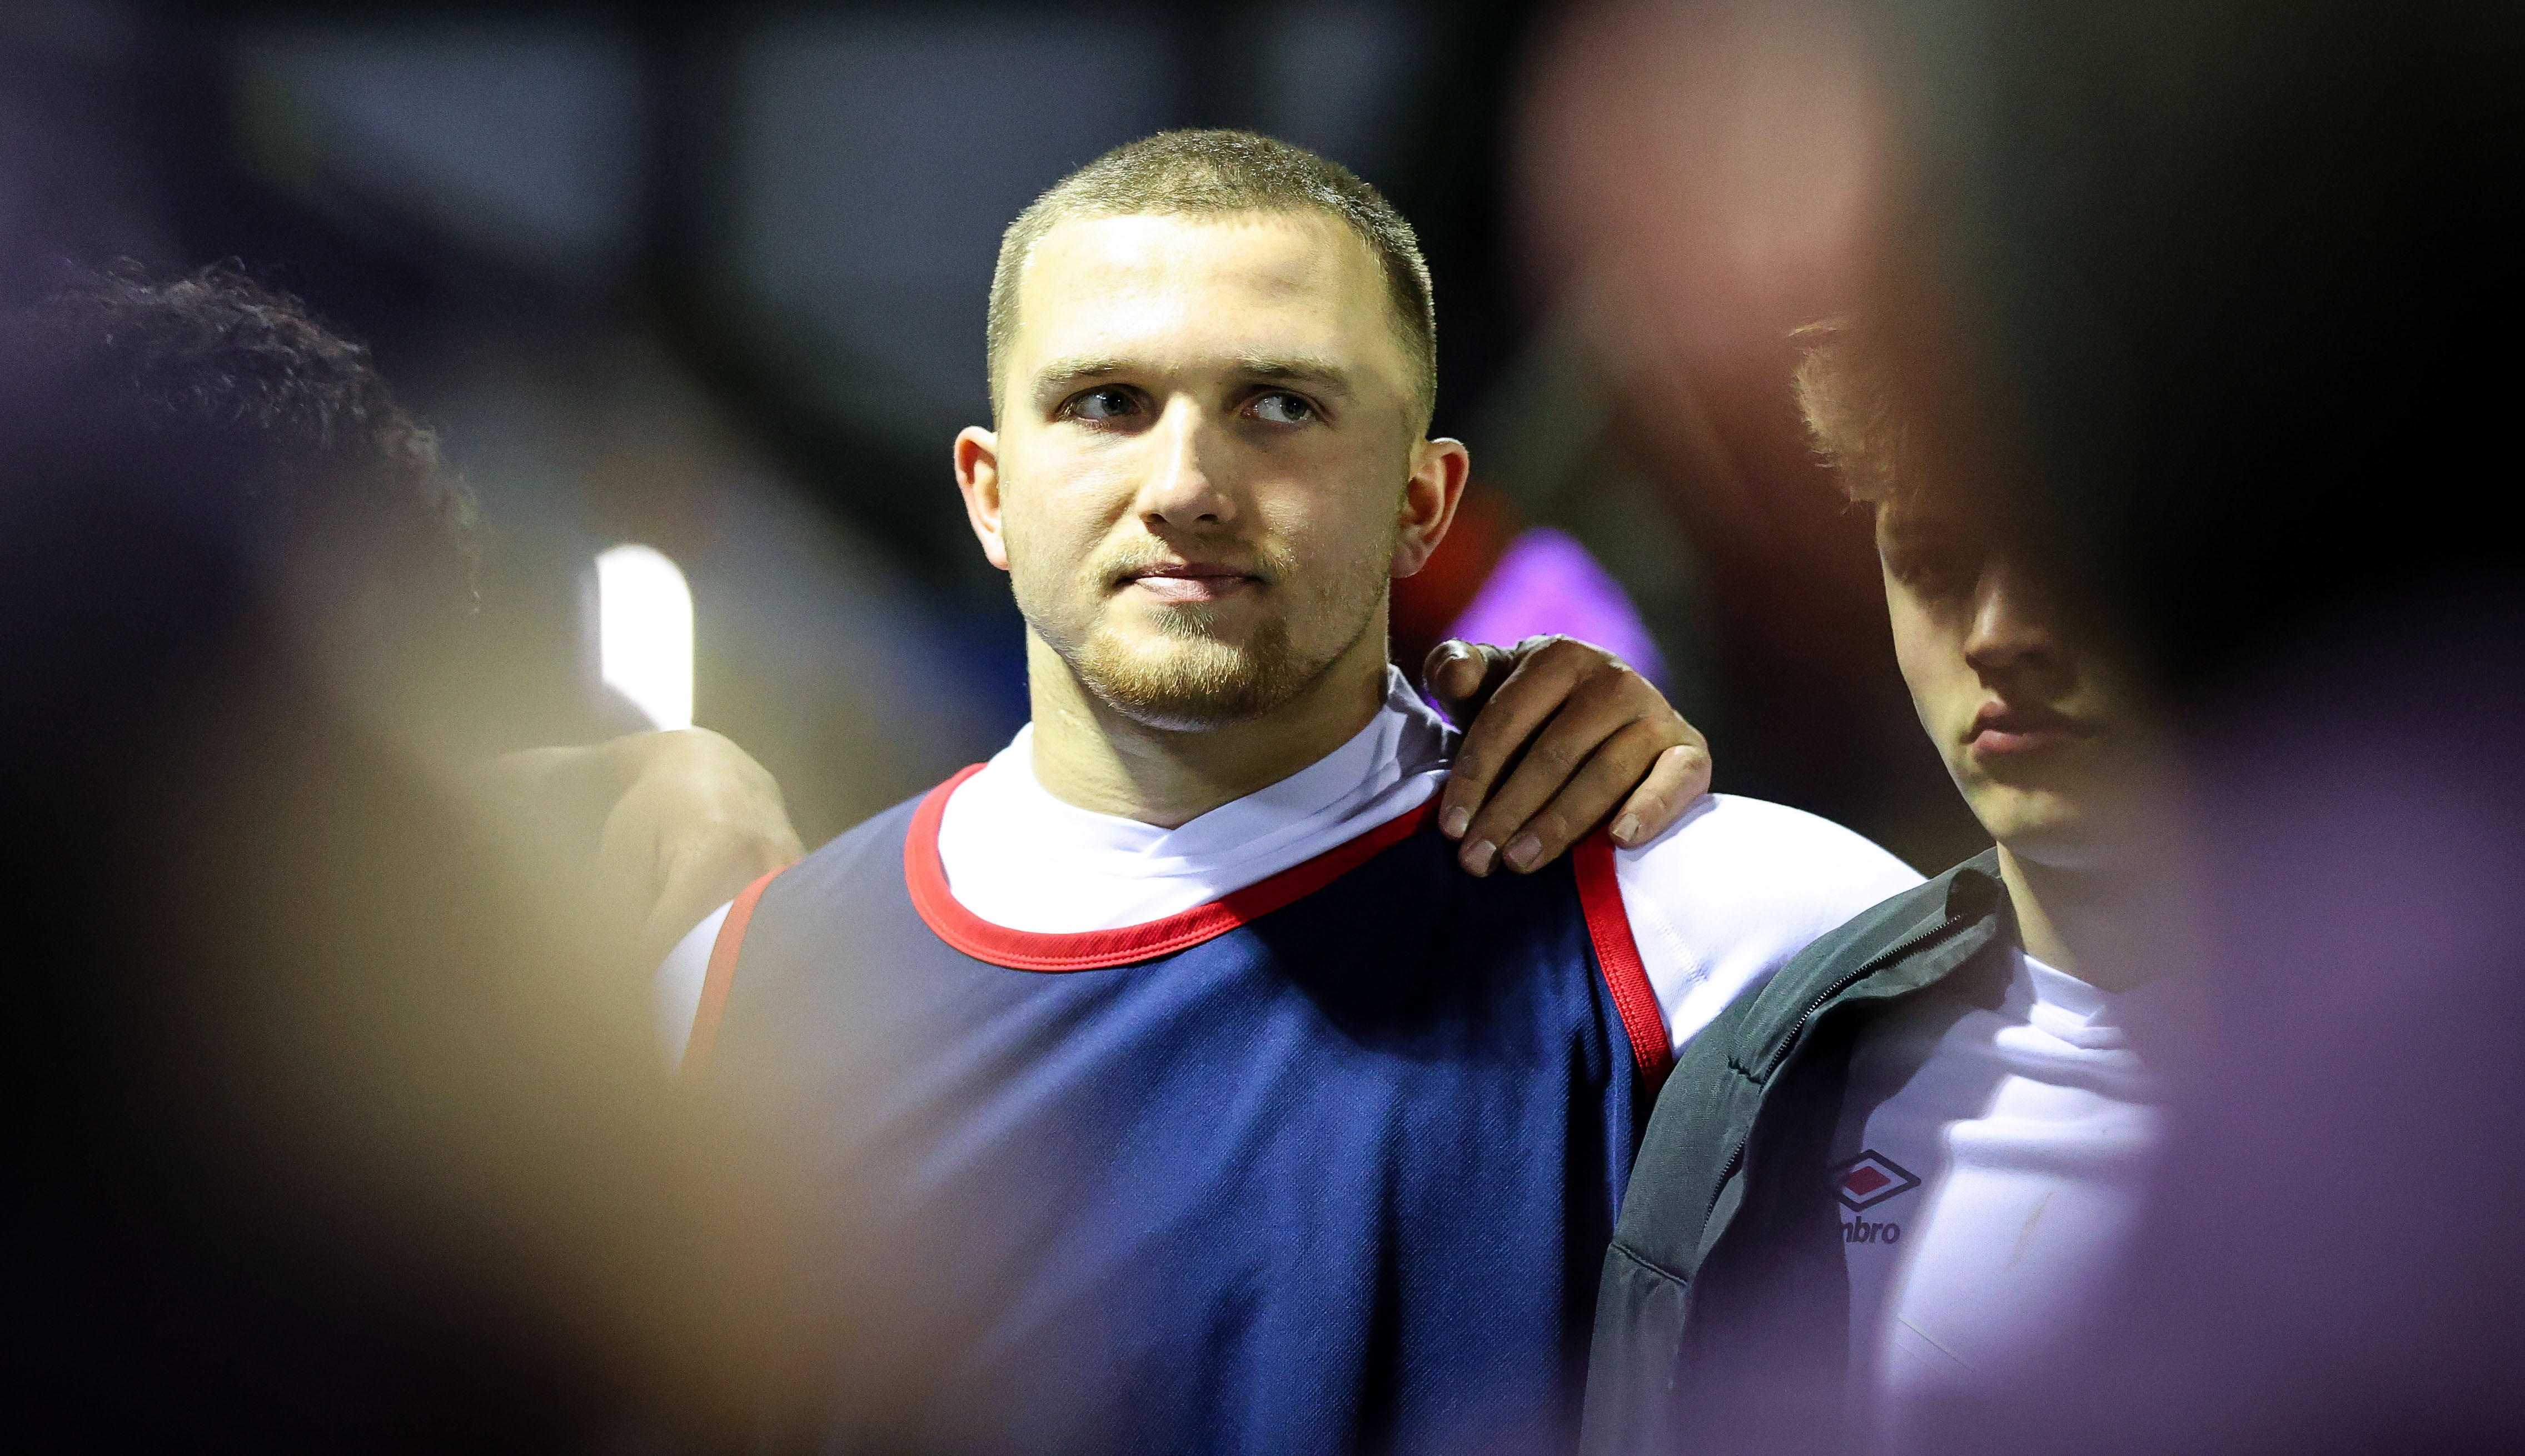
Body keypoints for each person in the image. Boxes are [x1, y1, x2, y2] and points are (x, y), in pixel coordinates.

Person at [684, 130, 1921, 1453]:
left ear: (1422, 500)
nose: (1185, 488)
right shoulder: (718, 995)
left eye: (1278, 404)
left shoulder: (1741, 933)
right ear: (990, 493)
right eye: (1105, 401)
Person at [1580, 318, 2175, 1455]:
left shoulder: (2453, 1071)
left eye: (2071, 548)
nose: (1999, 632)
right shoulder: (1763, 1078)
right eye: (1935, 563)